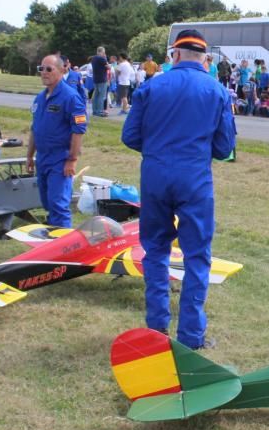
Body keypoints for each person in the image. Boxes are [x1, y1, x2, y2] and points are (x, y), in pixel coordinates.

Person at [121, 29, 235, 351]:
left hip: (155, 174)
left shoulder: (152, 85)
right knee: (197, 255)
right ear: (205, 59)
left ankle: (157, 330)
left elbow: (129, 136)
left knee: (155, 250)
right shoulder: (217, 91)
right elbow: (224, 147)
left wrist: (158, 149)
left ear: (175, 55)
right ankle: (191, 337)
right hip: (195, 179)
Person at [27, 54, 87, 227]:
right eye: (41, 69)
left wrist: (72, 160)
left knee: (58, 205)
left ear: (62, 71)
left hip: (60, 159)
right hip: (43, 158)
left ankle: (64, 248)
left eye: (49, 69)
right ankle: (53, 235)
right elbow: (35, 128)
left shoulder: (70, 97)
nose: (44, 73)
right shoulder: (40, 98)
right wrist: (30, 155)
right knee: (47, 202)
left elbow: (78, 130)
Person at [90, 46, 109, 117]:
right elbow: (108, 67)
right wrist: (105, 57)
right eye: (103, 52)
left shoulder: (93, 58)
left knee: (96, 96)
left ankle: (95, 111)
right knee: (101, 96)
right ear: (101, 52)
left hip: (96, 79)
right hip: (102, 79)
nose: (104, 53)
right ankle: (100, 111)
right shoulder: (101, 58)